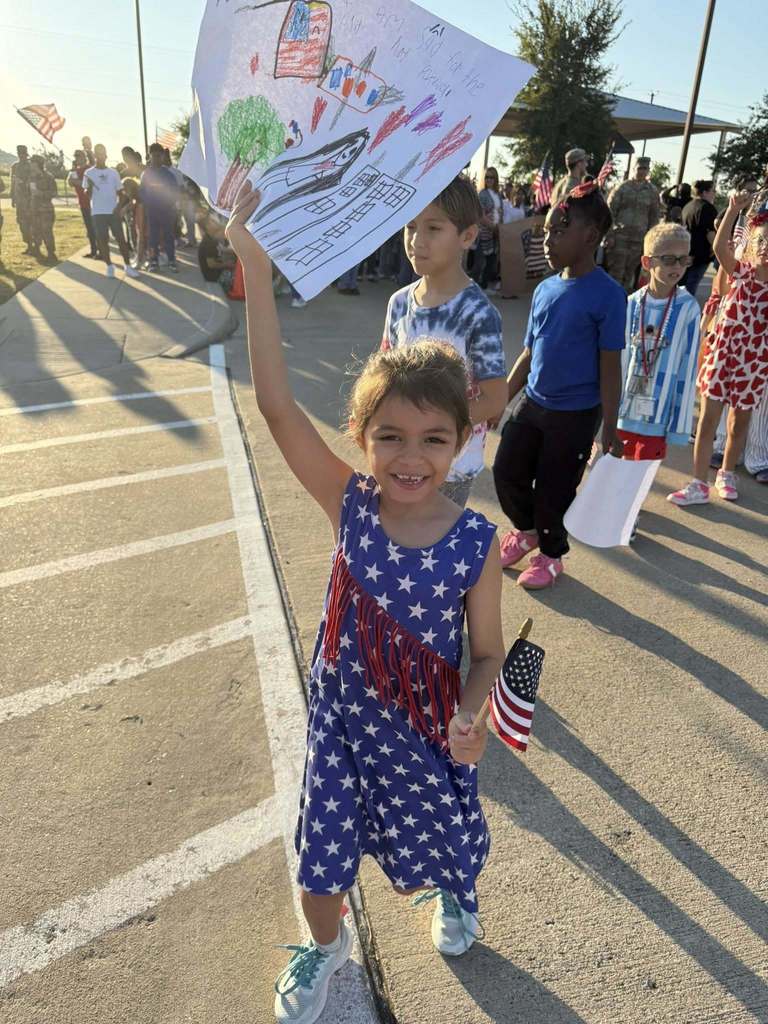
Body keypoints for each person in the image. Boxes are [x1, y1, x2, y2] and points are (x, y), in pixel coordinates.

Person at [224, 181, 505, 1024]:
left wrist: (472, 713)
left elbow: (486, 652)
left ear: (461, 443)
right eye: (389, 437)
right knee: (319, 871)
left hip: (426, 730)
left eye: (432, 439)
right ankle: (326, 946)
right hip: (343, 723)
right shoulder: (348, 502)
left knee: (444, 846)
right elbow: (276, 407)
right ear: (361, 438)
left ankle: (451, 894)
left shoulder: (476, 542)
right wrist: (256, 270)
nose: (410, 457)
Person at [493, 181, 626, 588]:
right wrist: (501, 398)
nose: (547, 240)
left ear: (590, 236)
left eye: (559, 231)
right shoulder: (545, 289)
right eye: (547, 231)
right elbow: (529, 352)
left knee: (555, 490)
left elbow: (610, 367)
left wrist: (610, 428)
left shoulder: (609, 296)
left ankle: (551, 555)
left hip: (575, 415)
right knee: (506, 471)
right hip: (532, 402)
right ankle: (527, 531)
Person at [381, 175, 507, 508]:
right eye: (410, 226)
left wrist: (430, 429)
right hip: (400, 460)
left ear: (467, 236)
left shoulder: (479, 313)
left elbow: (495, 398)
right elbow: (383, 371)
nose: (416, 240)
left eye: (433, 228)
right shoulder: (398, 303)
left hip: (450, 468)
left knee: (434, 539)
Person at [669, 191, 768, 505]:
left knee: (739, 423)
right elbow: (718, 246)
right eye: (762, 241)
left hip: (753, 362)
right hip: (723, 352)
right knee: (708, 418)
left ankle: (726, 473)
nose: (765, 248)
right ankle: (698, 482)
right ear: (752, 243)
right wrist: (733, 209)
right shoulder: (741, 271)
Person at [616, 224, 701, 534]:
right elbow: (619, 356)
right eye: (668, 259)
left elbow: (688, 366)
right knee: (621, 460)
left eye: (683, 259)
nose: (677, 266)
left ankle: (630, 513)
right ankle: (619, 506)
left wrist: (679, 421)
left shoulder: (688, 308)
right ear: (647, 262)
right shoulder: (631, 303)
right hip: (626, 406)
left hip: (660, 409)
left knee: (645, 466)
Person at [604, 156, 661, 292]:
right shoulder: (622, 188)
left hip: (639, 241)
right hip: (620, 239)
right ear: (634, 169)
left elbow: (654, 217)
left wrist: (651, 242)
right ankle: (609, 300)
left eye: (645, 169)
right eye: (640, 168)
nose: (642, 171)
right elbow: (610, 212)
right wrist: (609, 235)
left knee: (629, 276)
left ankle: (623, 301)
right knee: (615, 273)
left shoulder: (652, 191)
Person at [83, 144, 138, 278]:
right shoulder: (89, 173)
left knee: (121, 239)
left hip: (113, 212)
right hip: (97, 212)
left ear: (106, 155)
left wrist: (118, 208)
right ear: (94, 156)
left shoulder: (113, 173)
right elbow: (87, 195)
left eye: (102, 153)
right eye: (98, 154)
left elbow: (121, 193)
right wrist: (89, 187)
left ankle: (127, 266)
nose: (100, 156)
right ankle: (109, 266)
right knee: (102, 240)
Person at [140, 143, 179, 272]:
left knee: (169, 236)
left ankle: (171, 260)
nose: (157, 158)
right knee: (153, 238)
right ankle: (153, 261)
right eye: (154, 156)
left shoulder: (168, 174)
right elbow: (142, 192)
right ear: (150, 156)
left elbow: (175, 191)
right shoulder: (146, 174)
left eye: (159, 156)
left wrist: (169, 204)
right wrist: (149, 203)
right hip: (152, 211)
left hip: (167, 211)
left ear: (162, 156)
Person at [681, 180, 718, 296]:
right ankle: (685, 307)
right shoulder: (707, 208)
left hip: (686, 251)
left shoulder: (688, 206)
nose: (715, 194)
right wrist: (715, 249)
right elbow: (710, 233)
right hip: (700, 255)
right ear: (705, 192)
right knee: (691, 287)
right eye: (713, 191)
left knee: (682, 285)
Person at [474, 166, 503, 291]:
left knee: (491, 261)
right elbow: (480, 215)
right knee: (479, 263)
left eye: (492, 177)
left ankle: (484, 287)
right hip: (483, 233)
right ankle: (473, 288)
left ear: (496, 179)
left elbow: (500, 212)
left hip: (495, 232)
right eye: (487, 177)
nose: (489, 180)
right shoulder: (482, 194)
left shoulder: (498, 195)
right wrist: (492, 226)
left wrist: (499, 228)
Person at [28, 155, 58, 262]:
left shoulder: (48, 177)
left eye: (32, 162)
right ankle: (36, 249)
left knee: (47, 231)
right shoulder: (31, 177)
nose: (30, 164)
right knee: (35, 230)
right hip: (34, 208)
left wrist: (41, 193)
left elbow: (54, 192)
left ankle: (51, 252)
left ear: (37, 164)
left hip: (46, 209)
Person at [68, 150, 98, 259]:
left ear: (84, 157)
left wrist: (77, 182)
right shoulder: (75, 170)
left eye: (79, 156)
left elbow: (88, 184)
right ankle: (93, 250)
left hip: (92, 203)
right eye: (75, 156)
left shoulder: (89, 169)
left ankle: (100, 250)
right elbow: (70, 182)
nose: (77, 158)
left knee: (95, 229)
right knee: (89, 229)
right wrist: (73, 172)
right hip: (83, 204)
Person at [197, 211, 236, 290]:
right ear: (208, 227)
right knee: (241, 277)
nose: (216, 222)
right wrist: (228, 265)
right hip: (215, 277)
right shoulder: (209, 243)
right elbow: (211, 264)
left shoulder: (212, 238)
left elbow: (223, 250)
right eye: (213, 222)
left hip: (217, 273)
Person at [10, 145, 34, 255]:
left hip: (29, 198)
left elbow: (33, 180)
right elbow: (13, 182)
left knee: (30, 222)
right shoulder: (14, 166)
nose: (22, 156)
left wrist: (24, 183)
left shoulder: (30, 166)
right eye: (20, 154)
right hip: (19, 199)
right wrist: (12, 197)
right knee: (21, 221)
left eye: (23, 154)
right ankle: (28, 243)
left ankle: (33, 245)